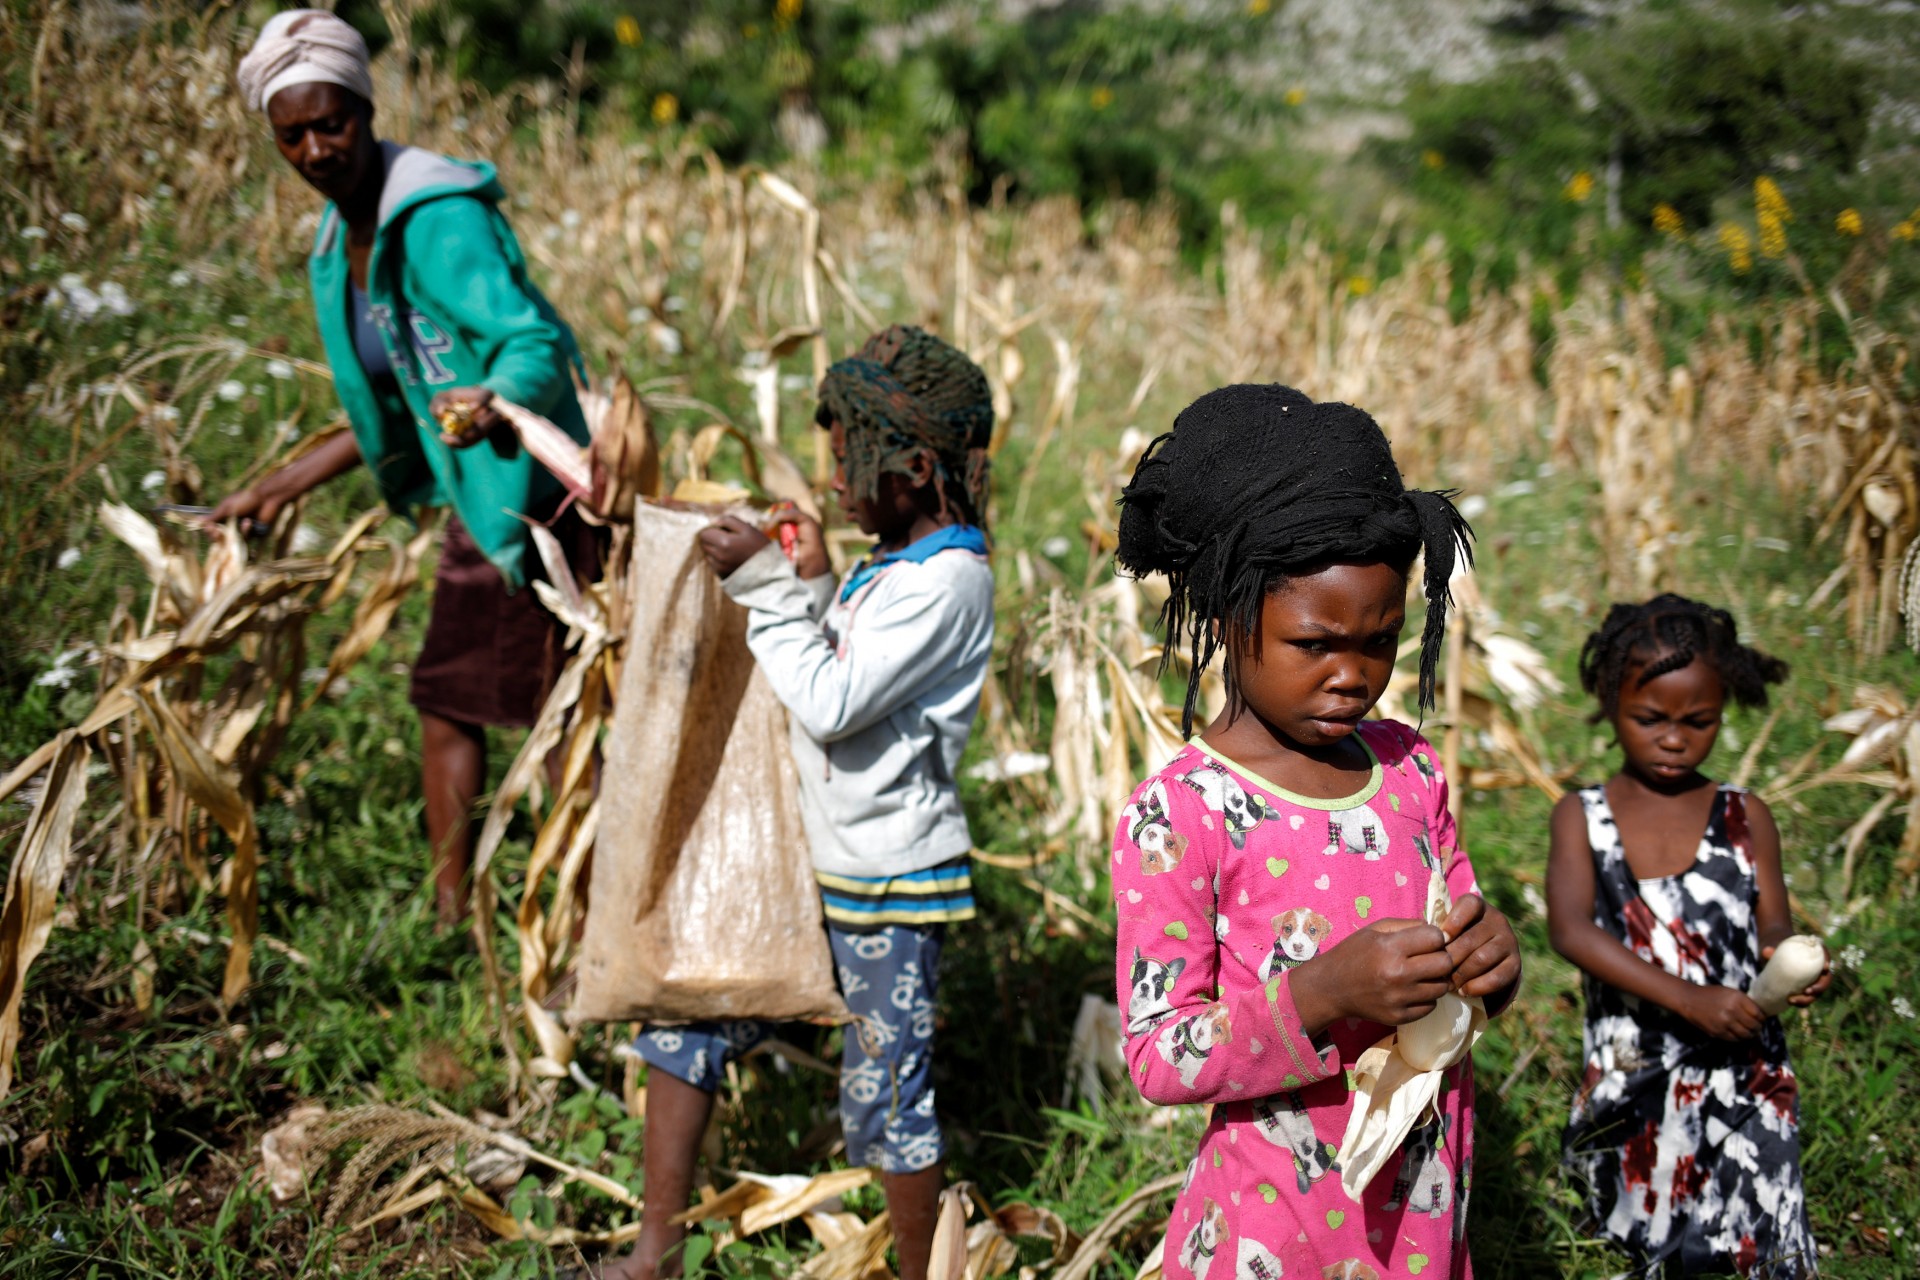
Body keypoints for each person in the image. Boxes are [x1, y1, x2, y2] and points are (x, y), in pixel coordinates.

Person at [585, 327, 995, 1280]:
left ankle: (915, 1271)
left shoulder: (949, 584)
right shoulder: (892, 565)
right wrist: (810, 581)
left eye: (849, 456)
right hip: (812, 866)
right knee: (688, 1015)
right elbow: (835, 671)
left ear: (916, 466)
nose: (834, 477)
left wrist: (767, 585)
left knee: (888, 1100)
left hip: (888, 890)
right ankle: (657, 1252)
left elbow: (830, 701)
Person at [1108, 385, 1520, 1279]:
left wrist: (1492, 964)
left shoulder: (1412, 770)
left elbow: (1462, 923)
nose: (1353, 675)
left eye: (1381, 642)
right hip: (1275, 1228)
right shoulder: (1181, 816)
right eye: (1313, 643)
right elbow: (1156, 1054)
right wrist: (1321, 994)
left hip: (1423, 1210)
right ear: (1226, 616)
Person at [217, 11, 599, 926]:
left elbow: (533, 343)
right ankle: (451, 916)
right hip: (483, 496)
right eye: (292, 134)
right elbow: (395, 408)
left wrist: (490, 398)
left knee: (557, 719)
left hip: (539, 498)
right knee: (452, 700)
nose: (315, 149)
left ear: (366, 106)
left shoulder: (434, 219)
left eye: (331, 123)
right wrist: (276, 488)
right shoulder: (334, 247)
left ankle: (584, 928)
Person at [1547, 595, 1828, 1278]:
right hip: (1636, 1066)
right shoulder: (1582, 817)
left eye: (1698, 722)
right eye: (1651, 719)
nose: (1674, 738)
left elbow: (1774, 925)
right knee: (1647, 1236)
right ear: (1612, 705)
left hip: (1742, 1061)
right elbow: (1569, 930)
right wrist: (1686, 997)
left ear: (1722, 714)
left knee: (1762, 1239)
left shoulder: (1745, 815)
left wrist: (1791, 965)